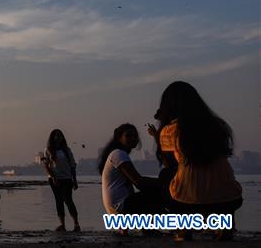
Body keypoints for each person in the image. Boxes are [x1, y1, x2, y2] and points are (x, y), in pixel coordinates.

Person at [148, 81, 243, 241]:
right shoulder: (218, 125)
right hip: (229, 198)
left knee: (166, 175)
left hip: (187, 201)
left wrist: (158, 136)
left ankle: (184, 227)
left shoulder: (170, 130)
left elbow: (170, 164)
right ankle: (224, 225)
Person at [99, 123, 160, 218]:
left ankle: (148, 228)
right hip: (119, 207)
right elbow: (139, 182)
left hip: (119, 206)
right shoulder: (118, 154)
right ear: (119, 138)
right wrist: (163, 183)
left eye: (135, 136)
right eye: (128, 136)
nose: (132, 138)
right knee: (156, 195)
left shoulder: (119, 154)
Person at [41, 129, 80, 232]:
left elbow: (72, 166)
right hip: (54, 179)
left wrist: (75, 180)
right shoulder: (48, 150)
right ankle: (62, 225)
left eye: (60, 136)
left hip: (67, 179)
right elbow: (46, 166)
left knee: (68, 201)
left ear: (62, 137)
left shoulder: (67, 150)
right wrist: (53, 177)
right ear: (52, 138)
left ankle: (76, 224)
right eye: (56, 136)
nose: (58, 138)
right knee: (58, 201)